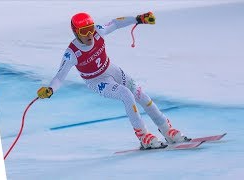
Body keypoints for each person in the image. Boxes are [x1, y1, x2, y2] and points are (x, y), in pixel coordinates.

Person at [37, 12, 191, 149]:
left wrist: (138, 19)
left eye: (91, 28)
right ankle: (143, 136)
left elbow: (116, 23)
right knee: (126, 94)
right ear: (76, 33)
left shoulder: (98, 31)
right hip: (97, 81)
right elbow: (59, 76)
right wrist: (50, 90)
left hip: (112, 70)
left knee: (141, 95)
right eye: (84, 31)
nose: (90, 34)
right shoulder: (72, 53)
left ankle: (166, 129)